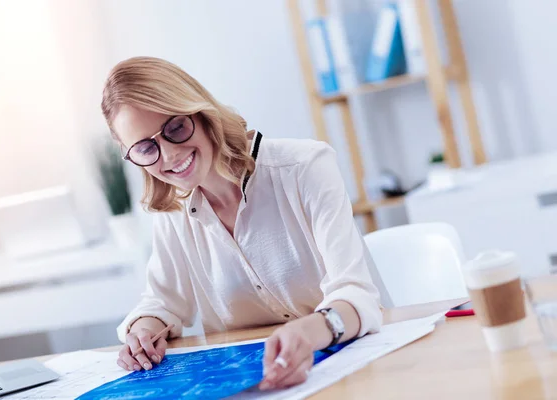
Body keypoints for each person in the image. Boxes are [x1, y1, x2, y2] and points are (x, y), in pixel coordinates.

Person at [101, 56, 382, 390]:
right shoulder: (172, 210)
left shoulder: (306, 167)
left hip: (360, 369)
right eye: (146, 148)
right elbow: (162, 303)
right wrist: (144, 332)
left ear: (201, 112)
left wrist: (313, 330)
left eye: (175, 128)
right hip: (263, 384)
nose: (170, 156)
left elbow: (355, 291)